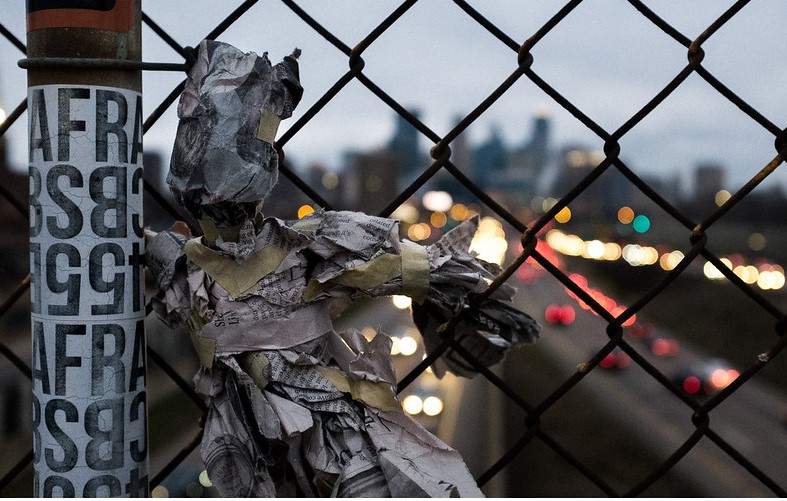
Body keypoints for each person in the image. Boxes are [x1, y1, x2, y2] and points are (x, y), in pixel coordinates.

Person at [146, 39, 539, 497]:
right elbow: (164, 261)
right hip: (242, 436)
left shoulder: (306, 244)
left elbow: (398, 266)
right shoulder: (187, 264)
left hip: (332, 432)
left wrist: (454, 295)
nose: (214, 200)